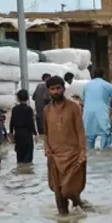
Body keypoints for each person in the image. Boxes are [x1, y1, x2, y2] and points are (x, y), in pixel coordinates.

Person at [43, 76, 88, 214]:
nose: (55, 91)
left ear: (63, 89)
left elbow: (80, 131)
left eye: (58, 88)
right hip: (55, 157)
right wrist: (46, 147)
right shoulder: (46, 110)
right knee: (59, 196)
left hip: (73, 155)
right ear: (49, 91)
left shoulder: (74, 107)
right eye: (52, 89)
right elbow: (45, 132)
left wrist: (83, 152)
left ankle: (77, 201)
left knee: (68, 190)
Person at [10, 89, 37, 164]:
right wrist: (35, 133)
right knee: (28, 155)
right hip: (27, 134)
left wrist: (11, 132)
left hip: (18, 134)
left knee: (19, 154)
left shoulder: (15, 109)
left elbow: (12, 121)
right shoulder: (29, 109)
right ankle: (27, 172)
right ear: (28, 98)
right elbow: (31, 123)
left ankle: (20, 172)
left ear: (18, 98)